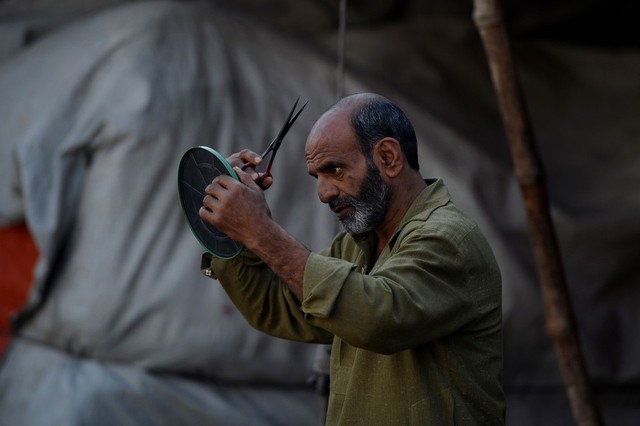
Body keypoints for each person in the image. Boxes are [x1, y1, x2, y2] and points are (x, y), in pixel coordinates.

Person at [199, 93, 505, 425]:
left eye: (334, 169)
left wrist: (262, 232)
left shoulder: (449, 238)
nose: (324, 193)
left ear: (388, 157)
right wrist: (236, 235)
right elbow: (275, 307)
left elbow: (377, 317)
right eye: (318, 176)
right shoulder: (356, 245)